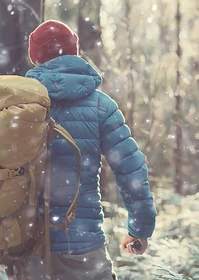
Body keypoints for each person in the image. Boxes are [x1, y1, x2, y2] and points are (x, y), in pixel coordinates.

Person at [16, 20, 156, 279]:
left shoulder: (17, 103)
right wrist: (140, 228)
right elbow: (131, 170)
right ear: (74, 52)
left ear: (34, 56)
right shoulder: (101, 106)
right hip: (82, 244)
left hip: (27, 243)